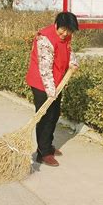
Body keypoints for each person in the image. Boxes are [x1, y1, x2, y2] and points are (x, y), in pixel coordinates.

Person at [26, 11, 79, 167]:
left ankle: (47, 145)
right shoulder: (45, 39)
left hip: (57, 82)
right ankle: (43, 153)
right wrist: (51, 92)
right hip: (42, 83)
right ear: (56, 24)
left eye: (69, 31)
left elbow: (68, 51)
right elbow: (45, 68)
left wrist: (73, 62)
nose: (65, 34)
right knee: (44, 117)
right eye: (62, 29)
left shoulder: (66, 36)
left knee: (54, 114)